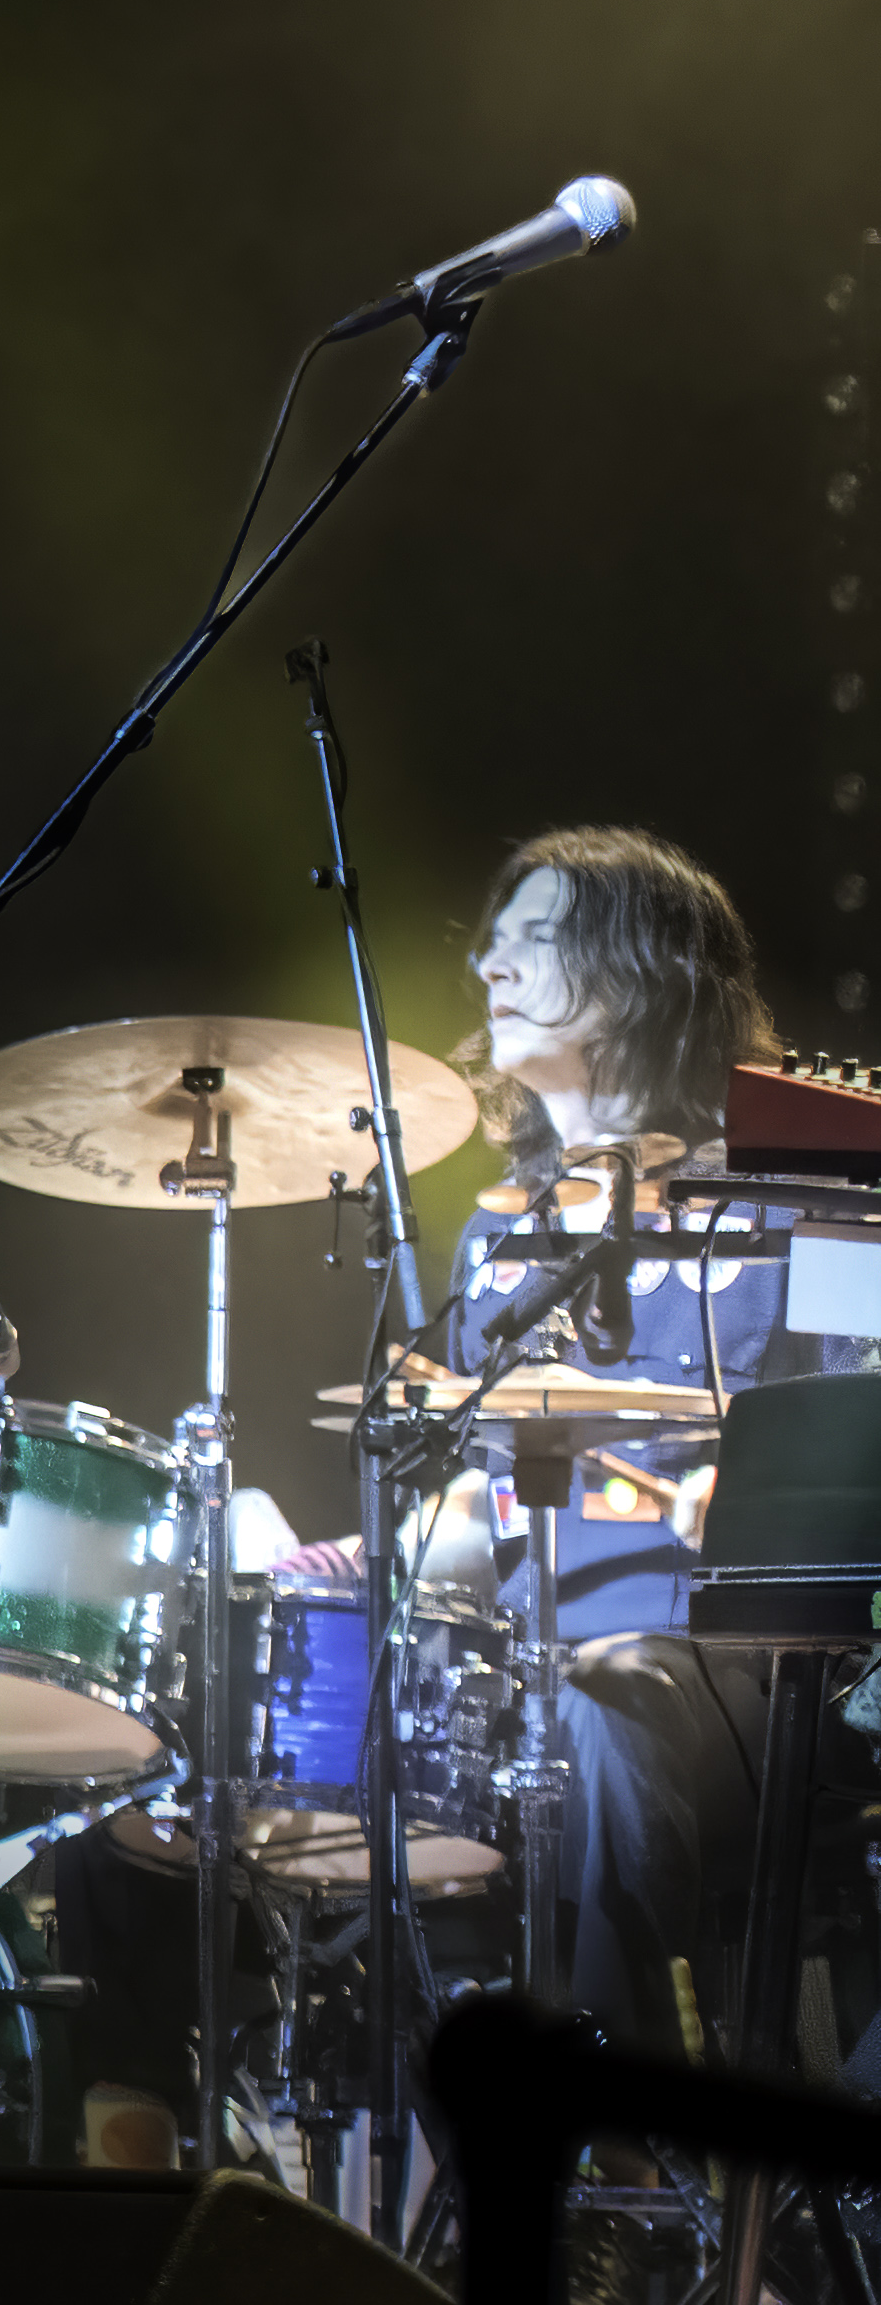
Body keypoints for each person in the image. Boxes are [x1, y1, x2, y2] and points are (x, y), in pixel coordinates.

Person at [418, 828, 852, 2045]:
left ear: (643, 969)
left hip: (736, 1669)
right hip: (517, 1658)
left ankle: (608, 2141)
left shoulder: (796, 1196)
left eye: (535, 934)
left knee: (604, 1703)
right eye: (489, 937)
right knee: (213, 1749)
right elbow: (472, 1482)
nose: (488, 965)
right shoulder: (497, 1228)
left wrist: (763, 1487)